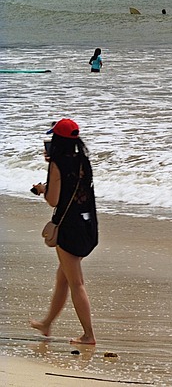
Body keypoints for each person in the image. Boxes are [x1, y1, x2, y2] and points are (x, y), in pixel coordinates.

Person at [30, 118, 98, 346]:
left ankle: (89, 335)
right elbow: (76, 192)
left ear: (57, 141)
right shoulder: (83, 160)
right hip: (87, 224)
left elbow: (53, 200)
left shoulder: (57, 164)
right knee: (64, 279)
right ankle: (47, 323)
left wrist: (42, 189)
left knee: (76, 282)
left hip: (69, 228)